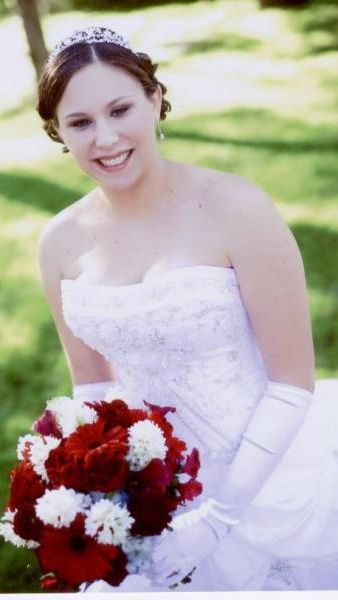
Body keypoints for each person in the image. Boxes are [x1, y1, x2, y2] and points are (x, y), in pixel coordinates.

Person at [36, 26, 338, 592]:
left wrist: (219, 517)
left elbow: (293, 382)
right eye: (80, 123)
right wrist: (96, 488)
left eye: (120, 109)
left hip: (266, 471)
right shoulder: (59, 242)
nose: (105, 139)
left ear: (154, 100)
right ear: (58, 131)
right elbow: (94, 388)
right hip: (153, 493)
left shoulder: (238, 208)